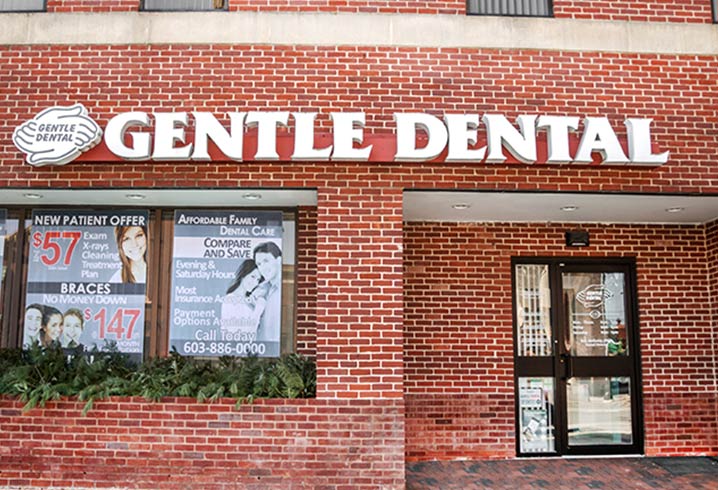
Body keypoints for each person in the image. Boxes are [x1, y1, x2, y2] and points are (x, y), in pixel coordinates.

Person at [220, 259, 267, 336]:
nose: (255, 282)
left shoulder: (250, 301)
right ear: (243, 275)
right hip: (235, 347)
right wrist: (258, 309)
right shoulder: (230, 299)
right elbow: (241, 333)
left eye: (258, 279)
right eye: (252, 276)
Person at [252, 242, 282, 343]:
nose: (262, 268)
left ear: (279, 260)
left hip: (275, 351)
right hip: (258, 352)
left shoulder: (282, 290)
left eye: (266, 261)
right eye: (259, 264)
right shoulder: (259, 290)